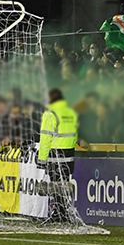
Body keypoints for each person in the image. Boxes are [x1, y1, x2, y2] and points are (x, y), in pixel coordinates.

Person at [38, 88, 78, 219]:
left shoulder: (51, 113)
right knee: (64, 183)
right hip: (69, 153)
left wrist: (42, 159)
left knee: (55, 184)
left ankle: (58, 212)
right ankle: (63, 211)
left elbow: (45, 138)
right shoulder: (70, 112)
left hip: (56, 153)